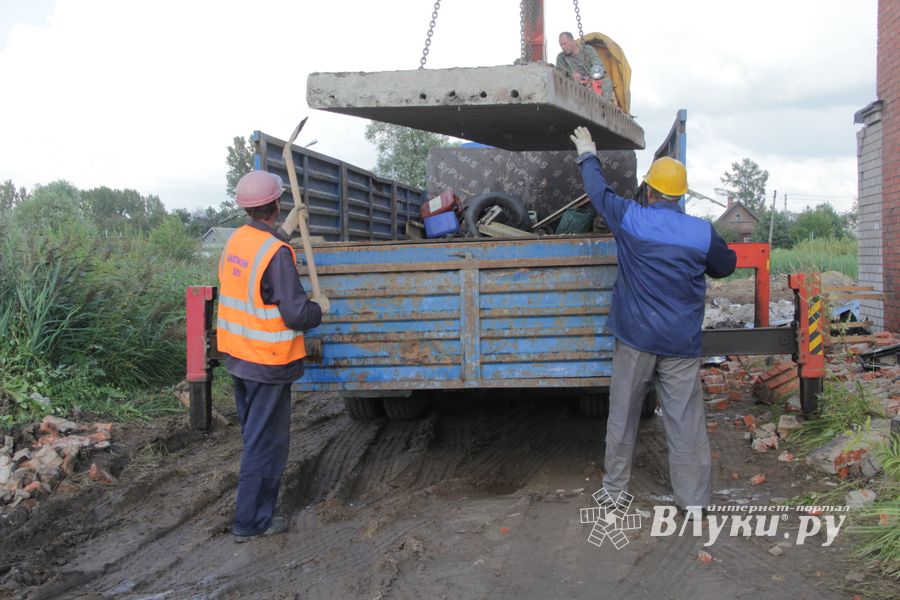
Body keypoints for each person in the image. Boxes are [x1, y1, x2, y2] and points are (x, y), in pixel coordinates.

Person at [569, 127, 737, 516]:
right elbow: (726, 266)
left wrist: (588, 154)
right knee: (685, 424)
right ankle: (694, 503)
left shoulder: (631, 219)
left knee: (623, 417)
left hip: (636, 340)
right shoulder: (701, 232)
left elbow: (599, 193)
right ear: (680, 196)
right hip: (680, 345)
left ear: (649, 191)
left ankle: (614, 494)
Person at [217, 170, 329, 542]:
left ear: (246, 208)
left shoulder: (237, 240)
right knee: (265, 443)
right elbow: (296, 314)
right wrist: (318, 308)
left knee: (255, 437)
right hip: (267, 362)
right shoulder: (277, 254)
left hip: (240, 358)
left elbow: (259, 265)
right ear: (277, 203)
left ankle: (254, 515)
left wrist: (287, 229)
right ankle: (251, 522)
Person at [556, 31, 614, 101]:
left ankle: (602, 104)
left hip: (591, 82)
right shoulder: (561, 58)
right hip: (573, 86)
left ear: (573, 41)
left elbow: (598, 67)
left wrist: (588, 78)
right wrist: (572, 76)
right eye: (561, 45)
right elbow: (560, 74)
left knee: (607, 83)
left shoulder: (588, 50)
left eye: (565, 44)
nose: (563, 47)